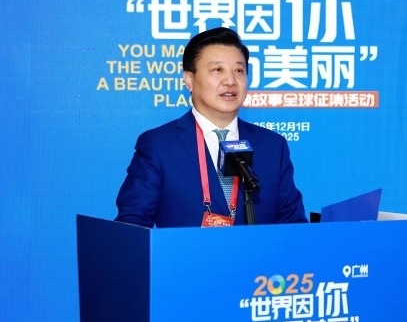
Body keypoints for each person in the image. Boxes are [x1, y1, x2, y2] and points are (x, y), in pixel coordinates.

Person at [115, 27, 307, 228]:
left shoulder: (273, 146)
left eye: (239, 70)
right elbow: (132, 224)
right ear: (189, 80)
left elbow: (293, 225)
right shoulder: (159, 146)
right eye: (218, 70)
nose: (231, 81)